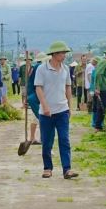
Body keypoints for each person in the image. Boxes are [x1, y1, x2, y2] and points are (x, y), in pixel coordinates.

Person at [35, 41, 78, 179]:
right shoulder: (42, 69)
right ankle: (47, 168)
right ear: (54, 54)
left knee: (64, 139)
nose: (64, 55)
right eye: (62, 53)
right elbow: (38, 88)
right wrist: (45, 106)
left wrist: (69, 106)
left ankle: (67, 169)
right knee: (47, 141)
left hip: (62, 110)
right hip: (46, 112)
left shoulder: (65, 69)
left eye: (65, 53)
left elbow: (68, 87)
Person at [19, 52, 40, 144]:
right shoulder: (37, 68)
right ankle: (34, 138)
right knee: (40, 118)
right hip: (34, 96)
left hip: (33, 96)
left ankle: (32, 138)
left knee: (36, 118)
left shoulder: (34, 67)